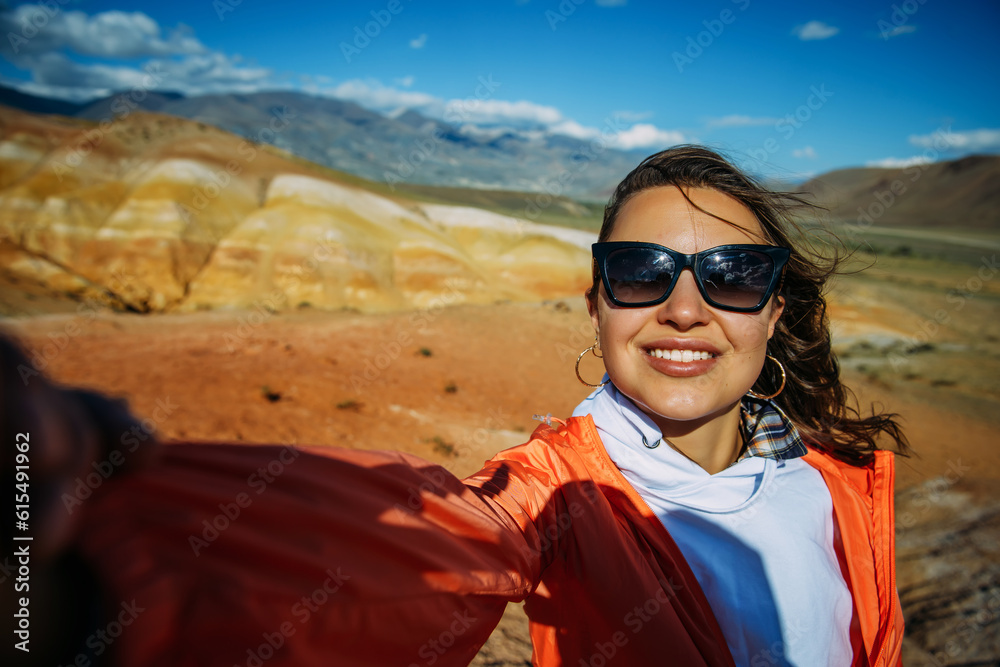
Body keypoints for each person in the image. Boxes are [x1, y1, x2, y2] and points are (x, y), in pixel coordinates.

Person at [1, 146, 906, 667]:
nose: (683, 307)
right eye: (641, 272)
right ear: (597, 300)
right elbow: (422, 543)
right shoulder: (563, 492)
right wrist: (107, 567)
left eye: (733, 276)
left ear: (776, 306)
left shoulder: (839, 477)